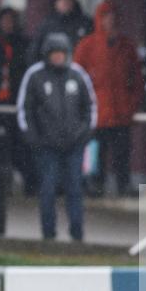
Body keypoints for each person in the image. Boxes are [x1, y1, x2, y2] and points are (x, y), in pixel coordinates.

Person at [17, 33, 96, 242]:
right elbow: (25, 108)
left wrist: (84, 134)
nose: (59, 58)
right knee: (48, 189)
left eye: (62, 54)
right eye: (55, 54)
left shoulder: (78, 75)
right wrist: (32, 137)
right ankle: (48, 234)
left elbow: (90, 107)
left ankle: (77, 234)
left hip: (74, 145)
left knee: (75, 189)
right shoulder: (35, 76)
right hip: (46, 146)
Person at [74, 1, 143, 197]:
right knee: (96, 152)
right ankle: (95, 184)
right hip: (97, 112)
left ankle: (123, 185)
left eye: (113, 15)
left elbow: (137, 79)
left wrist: (132, 103)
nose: (109, 20)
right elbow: (77, 78)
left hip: (121, 111)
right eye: (105, 16)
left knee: (122, 153)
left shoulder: (127, 46)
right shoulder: (86, 46)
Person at [0, 7, 33, 196]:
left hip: (16, 104)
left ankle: (28, 182)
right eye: (5, 21)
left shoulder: (22, 45)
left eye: (11, 21)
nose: (8, 25)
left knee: (20, 146)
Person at [27, 0, 93, 63]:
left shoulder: (85, 23)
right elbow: (34, 52)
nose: (64, 2)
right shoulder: (47, 24)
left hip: (77, 70)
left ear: (73, 1)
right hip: (52, 71)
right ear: (56, 2)